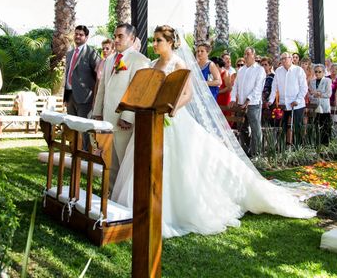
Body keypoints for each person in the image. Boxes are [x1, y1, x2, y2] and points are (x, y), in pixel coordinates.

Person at [112, 25, 315, 238]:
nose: (154, 44)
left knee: (177, 164)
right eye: (153, 40)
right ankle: (138, 205)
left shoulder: (178, 63)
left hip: (172, 119)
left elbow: (188, 94)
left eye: (158, 40)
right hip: (151, 119)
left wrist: (171, 109)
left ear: (170, 42)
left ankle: (171, 210)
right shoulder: (153, 64)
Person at [92, 23, 150, 186]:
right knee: (109, 163)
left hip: (123, 122)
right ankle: (110, 197)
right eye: (115, 36)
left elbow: (137, 90)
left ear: (131, 38)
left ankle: (122, 200)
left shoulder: (139, 60)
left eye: (120, 36)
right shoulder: (109, 60)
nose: (116, 39)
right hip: (107, 120)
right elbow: (102, 89)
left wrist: (128, 116)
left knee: (124, 163)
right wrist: (97, 112)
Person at [268, 52, 308, 146]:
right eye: (281, 59)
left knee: (297, 127)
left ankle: (298, 148)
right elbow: (274, 86)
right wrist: (270, 100)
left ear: (291, 59)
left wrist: (297, 100)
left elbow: (304, 88)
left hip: (296, 105)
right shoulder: (278, 71)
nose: (283, 61)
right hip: (283, 105)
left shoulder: (298, 70)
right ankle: (283, 148)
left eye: (285, 58)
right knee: (283, 128)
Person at [232, 47, 266, 156]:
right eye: (245, 54)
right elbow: (235, 85)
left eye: (248, 54)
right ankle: (247, 152)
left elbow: (258, 88)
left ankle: (257, 154)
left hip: (253, 104)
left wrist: (248, 100)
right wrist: (233, 99)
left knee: (255, 130)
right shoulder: (241, 70)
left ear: (254, 56)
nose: (246, 56)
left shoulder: (260, 70)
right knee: (243, 129)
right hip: (241, 104)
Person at [64, 25, 100, 119]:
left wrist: (96, 97)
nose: (78, 36)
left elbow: (99, 76)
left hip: (85, 98)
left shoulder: (91, 53)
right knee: (71, 128)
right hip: (69, 96)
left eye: (81, 34)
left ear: (86, 37)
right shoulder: (69, 53)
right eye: (76, 34)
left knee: (84, 130)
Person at [308, 64, 332, 146]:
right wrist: (315, 95)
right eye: (316, 72)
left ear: (323, 72)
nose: (317, 73)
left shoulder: (327, 80)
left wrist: (318, 94)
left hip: (324, 108)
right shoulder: (312, 82)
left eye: (319, 72)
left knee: (325, 127)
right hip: (315, 108)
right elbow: (310, 96)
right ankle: (316, 144)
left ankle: (325, 145)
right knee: (316, 126)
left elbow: (328, 94)